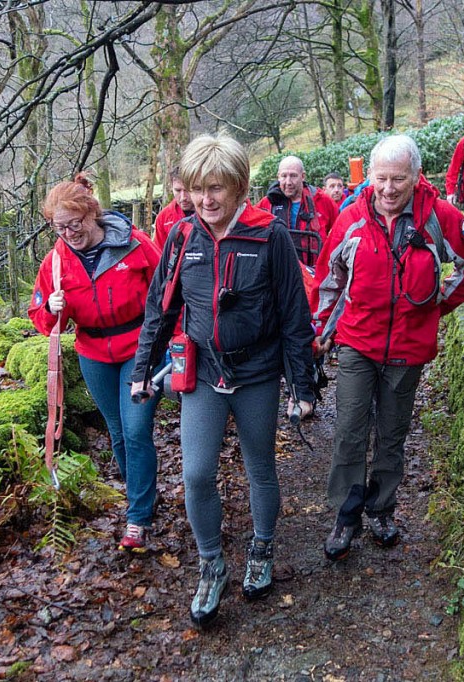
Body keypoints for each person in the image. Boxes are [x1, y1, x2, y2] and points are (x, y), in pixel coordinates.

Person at [131, 134, 315, 626]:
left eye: (215, 188)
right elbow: (160, 309)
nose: (205, 200)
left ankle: (262, 547)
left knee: (260, 466)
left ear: (239, 187)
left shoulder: (270, 235)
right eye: (195, 189)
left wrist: (303, 388)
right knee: (195, 474)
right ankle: (211, 563)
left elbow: (295, 316)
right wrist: (141, 371)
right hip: (204, 372)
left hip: (257, 373)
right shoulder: (181, 237)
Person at [312, 134, 464, 561]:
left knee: (392, 433)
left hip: (408, 346)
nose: (389, 189)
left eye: (399, 179)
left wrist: (439, 304)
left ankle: (382, 508)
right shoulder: (352, 218)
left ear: (415, 176)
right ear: (369, 177)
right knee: (351, 429)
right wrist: (319, 328)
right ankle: (346, 514)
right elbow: (328, 276)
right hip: (357, 341)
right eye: (381, 178)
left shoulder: (438, 217)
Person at [28, 173, 162, 553]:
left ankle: (137, 518)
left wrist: (172, 343)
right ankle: (143, 494)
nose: (69, 233)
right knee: (118, 432)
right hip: (93, 355)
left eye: (75, 224)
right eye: (59, 227)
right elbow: (41, 318)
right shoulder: (55, 264)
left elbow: (167, 292)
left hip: (139, 347)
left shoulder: (133, 245)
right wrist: (52, 309)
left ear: (93, 214)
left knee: (136, 431)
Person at [256, 155, 338, 267]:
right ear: (278, 177)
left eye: (293, 176)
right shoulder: (267, 203)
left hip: (314, 274)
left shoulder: (322, 201)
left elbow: (339, 233)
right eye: (284, 176)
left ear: (303, 176)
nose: (288, 182)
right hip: (279, 271)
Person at [153, 166, 195, 250]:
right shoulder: (164, 217)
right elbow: (159, 254)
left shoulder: (209, 213)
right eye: (178, 190)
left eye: (187, 190)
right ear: (171, 187)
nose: (183, 197)